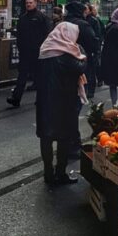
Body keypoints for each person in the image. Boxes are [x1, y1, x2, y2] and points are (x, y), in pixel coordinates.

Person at [35, 21, 87, 185]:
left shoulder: (45, 49)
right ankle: (60, 173)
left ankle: (48, 172)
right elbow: (80, 67)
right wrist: (82, 54)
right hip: (64, 100)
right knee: (64, 138)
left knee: (46, 137)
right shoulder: (66, 55)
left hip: (44, 100)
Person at [7, 0, 52, 108]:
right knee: (22, 75)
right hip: (25, 52)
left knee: (40, 76)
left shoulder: (41, 17)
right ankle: (16, 98)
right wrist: (20, 47)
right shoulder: (23, 18)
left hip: (38, 52)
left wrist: (42, 48)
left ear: (35, 3)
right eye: (27, 3)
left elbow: (47, 34)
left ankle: (41, 99)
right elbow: (19, 34)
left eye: (31, 3)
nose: (28, 4)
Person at [63, 2, 99, 95]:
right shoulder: (83, 24)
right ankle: (85, 93)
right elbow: (91, 39)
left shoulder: (63, 23)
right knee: (85, 76)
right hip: (82, 54)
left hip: (65, 55)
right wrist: (95, 51)